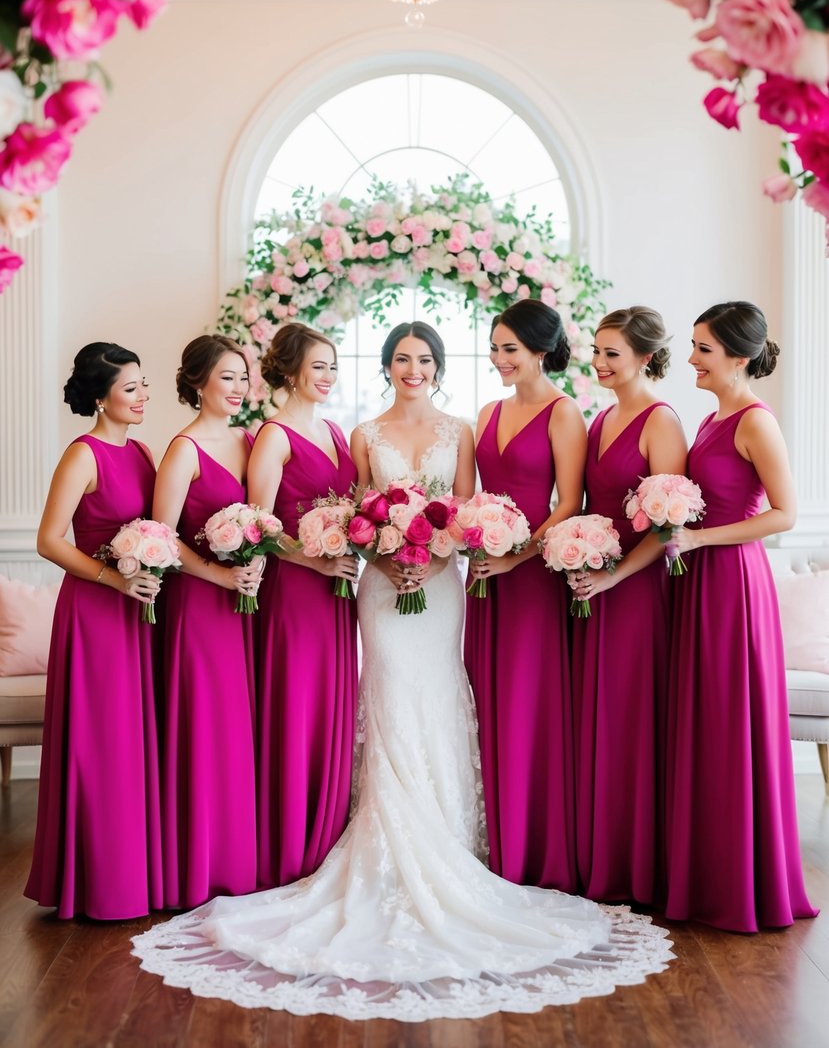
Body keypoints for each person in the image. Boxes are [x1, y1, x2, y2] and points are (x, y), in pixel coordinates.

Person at [132, 322, 671, 1022]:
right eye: (399, 359)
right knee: (386, 691)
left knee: (438, 691)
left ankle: (451, 838)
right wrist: (383, 554)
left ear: (438, 367)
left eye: (422, 359)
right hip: (382, 587)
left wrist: (438, 553)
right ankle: (381, 837)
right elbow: (356, 511)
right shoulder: (360, 434)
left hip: (442, 583)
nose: (410, 368)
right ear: (385, 366)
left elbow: (471, 510)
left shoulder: (463, 427)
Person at [663, 301, 817, 931]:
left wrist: (700, 540)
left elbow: (785, 515)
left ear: (738, 355)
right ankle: (706, 874)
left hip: (733, 581)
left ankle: (747, 882)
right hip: (698, 577)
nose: (693, 359)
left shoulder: (755, 421)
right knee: (703, 719)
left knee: (732, 719)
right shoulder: (710, 417)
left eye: (703, 348)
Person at [25, 342, 162, 919]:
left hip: (140, 608)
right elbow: (49, 539)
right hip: (95, 611)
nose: (142, 396)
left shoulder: (144, 452)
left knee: (132, 743)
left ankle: (135, 876)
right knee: (101, 744)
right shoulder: (83, 455)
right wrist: (112, 578)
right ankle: (96, 884)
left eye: (143, 385)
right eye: (130, 388)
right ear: (100, 397)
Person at [465, 299, 587, 889]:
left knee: (526, 702)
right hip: (484, 574)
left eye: (509, 349)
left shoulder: (565, 414)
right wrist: (473, 541)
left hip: (533, 575)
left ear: (541, 349)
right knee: (481, 696)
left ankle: (533, 847)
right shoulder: (486, 413)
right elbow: (474, 494)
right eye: (494, 348)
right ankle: (489, 840)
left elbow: (569, 501)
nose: (499, 359)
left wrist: (517, 554)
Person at [568, 307, 687, 904]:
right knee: (601, 717)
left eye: (612, 353)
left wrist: (616, 575)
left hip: (637, 590)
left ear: (645, 356)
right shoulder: (601, 419)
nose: (600, 362)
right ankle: (603, 859)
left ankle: (639, 866)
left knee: (633, 719)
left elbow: (671, 524)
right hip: (595, 583)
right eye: (596, 350)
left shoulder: (660, 421)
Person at [247, 322, 358, 888]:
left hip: (337, 592)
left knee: (331, 706)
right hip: (294, 592)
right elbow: (258, 526)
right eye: (318, 366)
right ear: (289, 370)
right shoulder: (273, 435)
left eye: (332, 366)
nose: (328, 376)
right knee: (296, 707)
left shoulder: (337, 433)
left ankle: (327, 833)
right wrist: (314, 560)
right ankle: (288, 845)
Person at [152, 335, 260, 907]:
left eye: (244, 377)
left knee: (236, 731)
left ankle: (236, 860)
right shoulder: (184, 449)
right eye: (228, 377)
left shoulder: (248, 441)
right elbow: (161, 537)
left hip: (243, 603)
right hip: (199, 605)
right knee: (205, 728)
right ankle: (195, 868)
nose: (240, 388)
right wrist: (218, 576)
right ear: (198, 383)